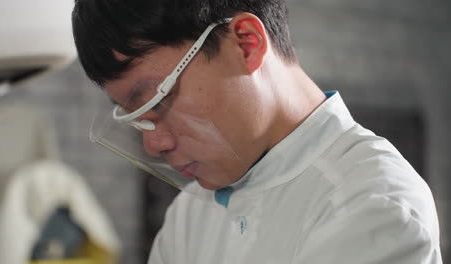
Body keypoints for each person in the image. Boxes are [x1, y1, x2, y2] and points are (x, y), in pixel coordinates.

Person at [71, 0, 442, 263]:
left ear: (246, 43)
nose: (153, 144)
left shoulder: (372, 203)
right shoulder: (189, 213)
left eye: (159, 100)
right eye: (138, 118)